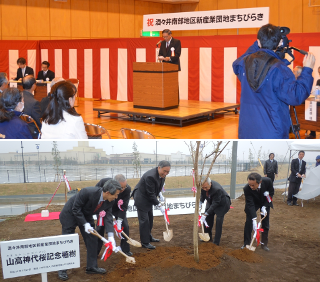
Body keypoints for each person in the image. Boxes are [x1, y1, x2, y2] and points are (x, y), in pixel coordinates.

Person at [233, 24, 315, 139]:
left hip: (247, 132)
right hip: (273, 133)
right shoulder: (279, 69)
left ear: (258, 42)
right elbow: (296, 96)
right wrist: (307, 70)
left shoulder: (243, 64)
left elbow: (246, 61)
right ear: (281, 43)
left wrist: (263, 39)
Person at [58, 180, 122, 281]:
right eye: (116, 194)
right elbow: (76, 209)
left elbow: (108, 217)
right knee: (67, 241)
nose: (116, 197)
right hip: (70, 214)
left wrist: (110, 236)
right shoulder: (87, 192)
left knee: (92, 239)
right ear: (108, 193)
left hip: (86, 215)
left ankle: (92, 267)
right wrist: (85, 224)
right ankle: (62, 269)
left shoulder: (110, 201)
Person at [131, 160, 170, 249]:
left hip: (148, 198)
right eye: (165, 171)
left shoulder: (162, 175)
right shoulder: (150, 176)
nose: (166, 173)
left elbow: (158, 186)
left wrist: (160, 194)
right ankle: (145, 242)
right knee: (144, 221)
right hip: (141, 198)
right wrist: (159, 205)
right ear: (159, 168)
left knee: (150, 219)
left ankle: (148, 236)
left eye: (168, 172)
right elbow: (150, 193)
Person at [95, 174, 132, 256]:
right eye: (121, 187)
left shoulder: (127, 189)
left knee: (124, 225)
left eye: (124, 187)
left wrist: (119, 221)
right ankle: (95, 251)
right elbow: (95, 194)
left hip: (117, 208)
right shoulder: (104, 182)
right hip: (104, 207)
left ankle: (125, 249)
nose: (123, 189)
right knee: (100, 227)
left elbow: (124, 206)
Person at [241, 172, 274, 251]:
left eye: (253, 185)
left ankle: (264, 244)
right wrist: (254, 218)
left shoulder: (268, 181)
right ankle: (246, 243)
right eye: (249, 184)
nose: (251, 187)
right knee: (249, 222)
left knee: (265, 223)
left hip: (264, 202)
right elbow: (250, 203)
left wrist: (265, 206)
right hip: (253, 203)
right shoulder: (246, 188)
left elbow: (271, 193)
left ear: (260, 182)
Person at [199, 176, 231, 246]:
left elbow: (215, 203)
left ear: (210, 183)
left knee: (219, 221)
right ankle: (208, 237)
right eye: (203, 188)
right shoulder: (203, 186)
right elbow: (203, 196)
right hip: (212, 201)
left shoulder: (217, 189)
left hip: (222, 203)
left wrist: (206, 213)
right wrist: (200, 203)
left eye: (206, 187)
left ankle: (216, 241)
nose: (204, 189)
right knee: (207, 219)